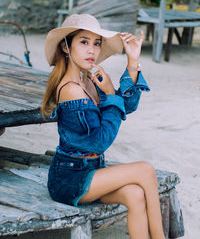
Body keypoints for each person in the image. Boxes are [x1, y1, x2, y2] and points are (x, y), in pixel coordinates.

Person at [41, 13, 165, 239]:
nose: (92, 50)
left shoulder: (88, 79)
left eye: (96, 43)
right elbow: (99, 141)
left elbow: (126, 106)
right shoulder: (71, 89)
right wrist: (108, 92)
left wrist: (133, 62)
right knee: (145, 170)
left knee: (135, 194)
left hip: (92, 171)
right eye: (84, 42)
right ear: (66, 47)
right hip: (69, 179)